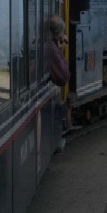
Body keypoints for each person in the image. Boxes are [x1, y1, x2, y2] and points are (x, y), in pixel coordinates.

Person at [45, 16, 71, 149]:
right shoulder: (52, 48)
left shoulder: (46, 43)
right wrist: (61, 52)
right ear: (58, 34)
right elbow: (63, 77)